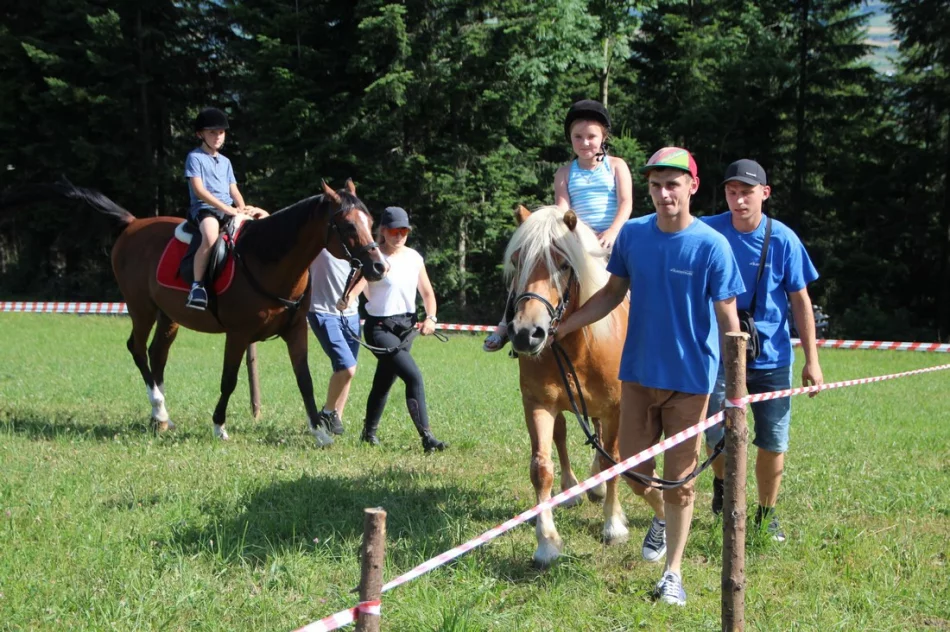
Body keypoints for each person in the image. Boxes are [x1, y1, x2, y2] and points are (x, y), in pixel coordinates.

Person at [554, 147, 743, 606]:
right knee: (635, 473)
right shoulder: (634, 236)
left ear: (692, 187)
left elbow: (729, 320)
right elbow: (612, 294)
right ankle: (660, 515)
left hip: (691, 381)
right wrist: (565, 326)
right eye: (656, 185)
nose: (663, 194)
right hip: (636, 376)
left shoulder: (712, 245)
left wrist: (735, 387)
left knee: (681, 481)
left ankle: (673, 574)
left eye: (672, 185)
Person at [702, 159, 824, 542]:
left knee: (772, 440)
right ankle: (723, 484)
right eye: (732, 192)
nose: (739, 201)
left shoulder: (783, 239)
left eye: (747, 192)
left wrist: (812, 360)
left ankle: (766, 515)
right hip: (720, 355)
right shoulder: (707, 231)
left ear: (765, 194)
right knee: (714, 435)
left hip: (771, 359)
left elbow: (800, 300)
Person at [483, 99, 632, 351]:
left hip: (611, 239)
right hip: (577, 238)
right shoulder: (564, 172)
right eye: (578, 137)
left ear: (603, 136)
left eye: (591, 136)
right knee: (530, 267)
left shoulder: (616, 166)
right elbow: (562, 211)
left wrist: (613, 231)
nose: (585, 143)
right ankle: (506, 324)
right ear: (570, 139)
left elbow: (626, 203)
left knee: (634, 281)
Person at [359, 206, 447, 453]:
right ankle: (427, 437)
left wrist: (431, 317)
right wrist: (345, 305)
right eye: (394, 231)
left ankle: (368, 433)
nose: (399, 236)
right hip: (379, 328)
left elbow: (427, 293)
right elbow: (357, 288)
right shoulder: (374, 258)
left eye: (404, 231)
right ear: (383, 231)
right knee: (413, 376)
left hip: (406, 328)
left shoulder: (414, 258)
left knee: (384, 380)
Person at [185, 107, 268, 310]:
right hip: (205, 210)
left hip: (228, 209)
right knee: (211, 236)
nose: (217, 137)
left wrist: (242, 207)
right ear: (200, 134)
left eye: (220, 132)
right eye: (212, 132)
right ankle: (197, 286)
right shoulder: (195, 158)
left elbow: (234, 190)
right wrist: (228, 209)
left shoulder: (226, 162)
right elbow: (199, 190)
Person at [306, 249, 368, 440]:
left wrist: (352, 295)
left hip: (351, 315)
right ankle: (326, 413)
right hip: (322, 311)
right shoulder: (318, 238)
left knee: (348, 371)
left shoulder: (358, 242)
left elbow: (368, 272)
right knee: (347, 367)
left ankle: (334, 419)